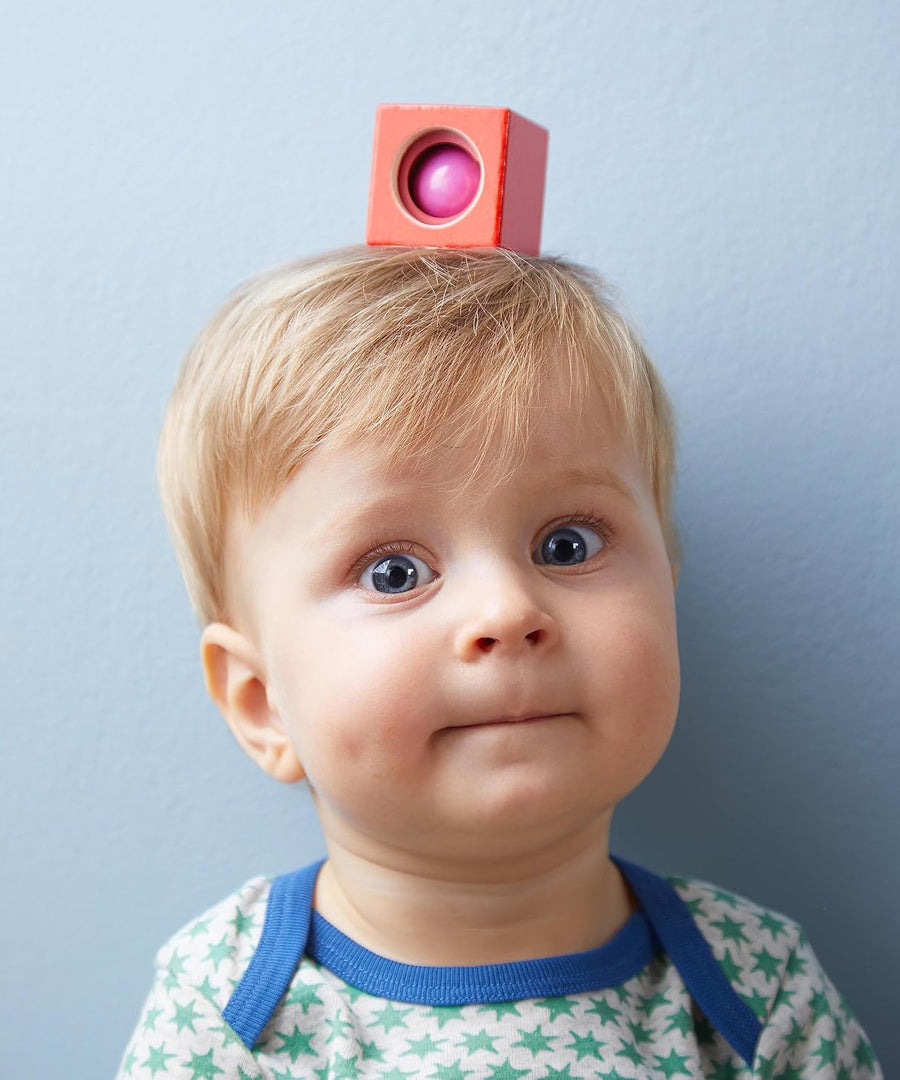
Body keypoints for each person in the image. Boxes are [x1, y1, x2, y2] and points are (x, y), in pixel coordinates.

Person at [116, 244, 882, 1078]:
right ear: (263, 704)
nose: (508, 611)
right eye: (395, 572)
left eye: (567, 544)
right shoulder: (230, 1011)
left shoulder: (751, 992)